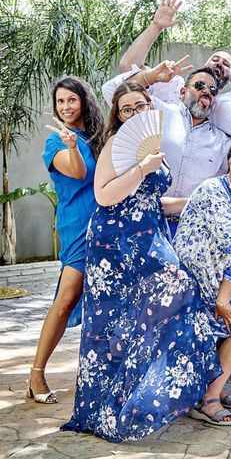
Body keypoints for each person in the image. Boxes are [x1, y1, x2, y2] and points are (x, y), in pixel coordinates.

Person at [61, 83, 221, 442]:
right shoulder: (117, 145)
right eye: (126, 109)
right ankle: (107, 404)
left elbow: (150, 201)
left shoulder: (156, 147)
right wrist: (142, 168)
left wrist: (198, 199)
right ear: (118, 115)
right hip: (114, 245)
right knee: (114, 321)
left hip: (148, 238)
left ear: (151, 109)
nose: (134, 113)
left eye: (141, 106)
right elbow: (104, 196)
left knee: (174, 297)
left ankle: (145, 394)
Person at [173, 139, 231, 426]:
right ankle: (208, 399)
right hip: (195, 278)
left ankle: (212, 386)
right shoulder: (213, 191)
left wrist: (225, 297)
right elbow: (230, 243)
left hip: (224, 275)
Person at [28, 77, 105, 405]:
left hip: (106, 225)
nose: (65, 107)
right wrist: (71, 145)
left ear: (84, 100)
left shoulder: (99, 135)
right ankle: (36, 374)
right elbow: (76, 173)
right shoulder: (55, 142)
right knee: (67, 298)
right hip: (77, 226)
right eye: (60, 102)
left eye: (71, 100)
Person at [103, 59, 231, 237]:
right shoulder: (158, 112)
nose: (206, 91)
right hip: (144, 222)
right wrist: (150, 77)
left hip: (190, 231)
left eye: (212, 90)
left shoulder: (222, 142)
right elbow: (112, 92)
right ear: (182, 91)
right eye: (200, 85)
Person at [118, 0, 231, 105]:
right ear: (204, 66)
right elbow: (128, 66)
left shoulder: (224, 109)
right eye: (215, 59)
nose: (219, 63)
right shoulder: (172, 84)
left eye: (226, 64)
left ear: (230, 78)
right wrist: (156, 26)